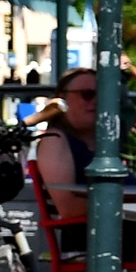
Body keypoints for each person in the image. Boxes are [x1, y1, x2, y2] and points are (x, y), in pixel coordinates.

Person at [32, 66, 99, 224]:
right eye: (87, 95)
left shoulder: (109, 142)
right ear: (62, 99)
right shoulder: (55, 140)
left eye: (102, 95)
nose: (96, 101)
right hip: (100, 239)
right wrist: (132, 206)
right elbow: (68, 208)